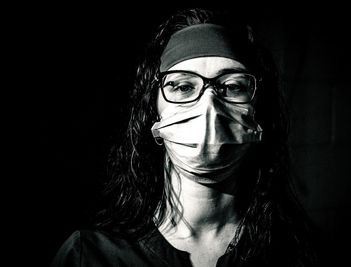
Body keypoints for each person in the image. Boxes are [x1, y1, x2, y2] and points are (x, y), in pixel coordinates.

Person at [51, 8, 316, 267]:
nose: (209, 104)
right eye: (182, 86)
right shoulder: (92, 256)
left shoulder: (300, 253)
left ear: (258, 112)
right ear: (152, 111)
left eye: (232, 86)